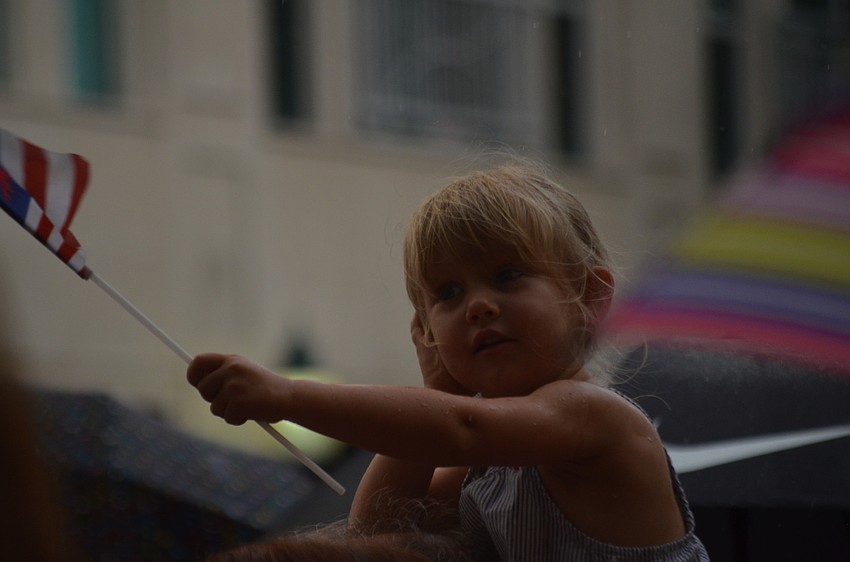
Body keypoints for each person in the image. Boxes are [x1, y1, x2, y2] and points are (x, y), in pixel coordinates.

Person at [188, 165, 710, 561]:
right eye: (449, 293)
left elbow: (463, 429)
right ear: (427, 331)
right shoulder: (481, 467)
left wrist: (288, 396)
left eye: (507, 275)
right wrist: (441, 391)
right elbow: (376, 530)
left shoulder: (593, 415)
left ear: (589, 298)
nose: (478, 306)